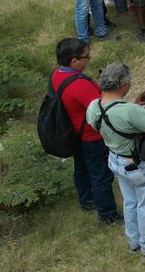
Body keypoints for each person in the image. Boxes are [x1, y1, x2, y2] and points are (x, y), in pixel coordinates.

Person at [87, 63, 145, 257]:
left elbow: (106, 122)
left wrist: (135, 103)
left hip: (115, 159)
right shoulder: (130, 111)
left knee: (130, 202)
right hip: (137, 164)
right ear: (123, 84)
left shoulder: (94, 106)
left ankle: (134, 243)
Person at [51, 38, 119, 224]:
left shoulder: (57, 74)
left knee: (81, 168)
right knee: (101, 176)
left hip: (74, 133)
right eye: (86, 56)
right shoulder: (79, 85)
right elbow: (103, 110)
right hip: (91, 136)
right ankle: (108, 216)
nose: (88, 59)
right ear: (74, 61)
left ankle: (87, 201)